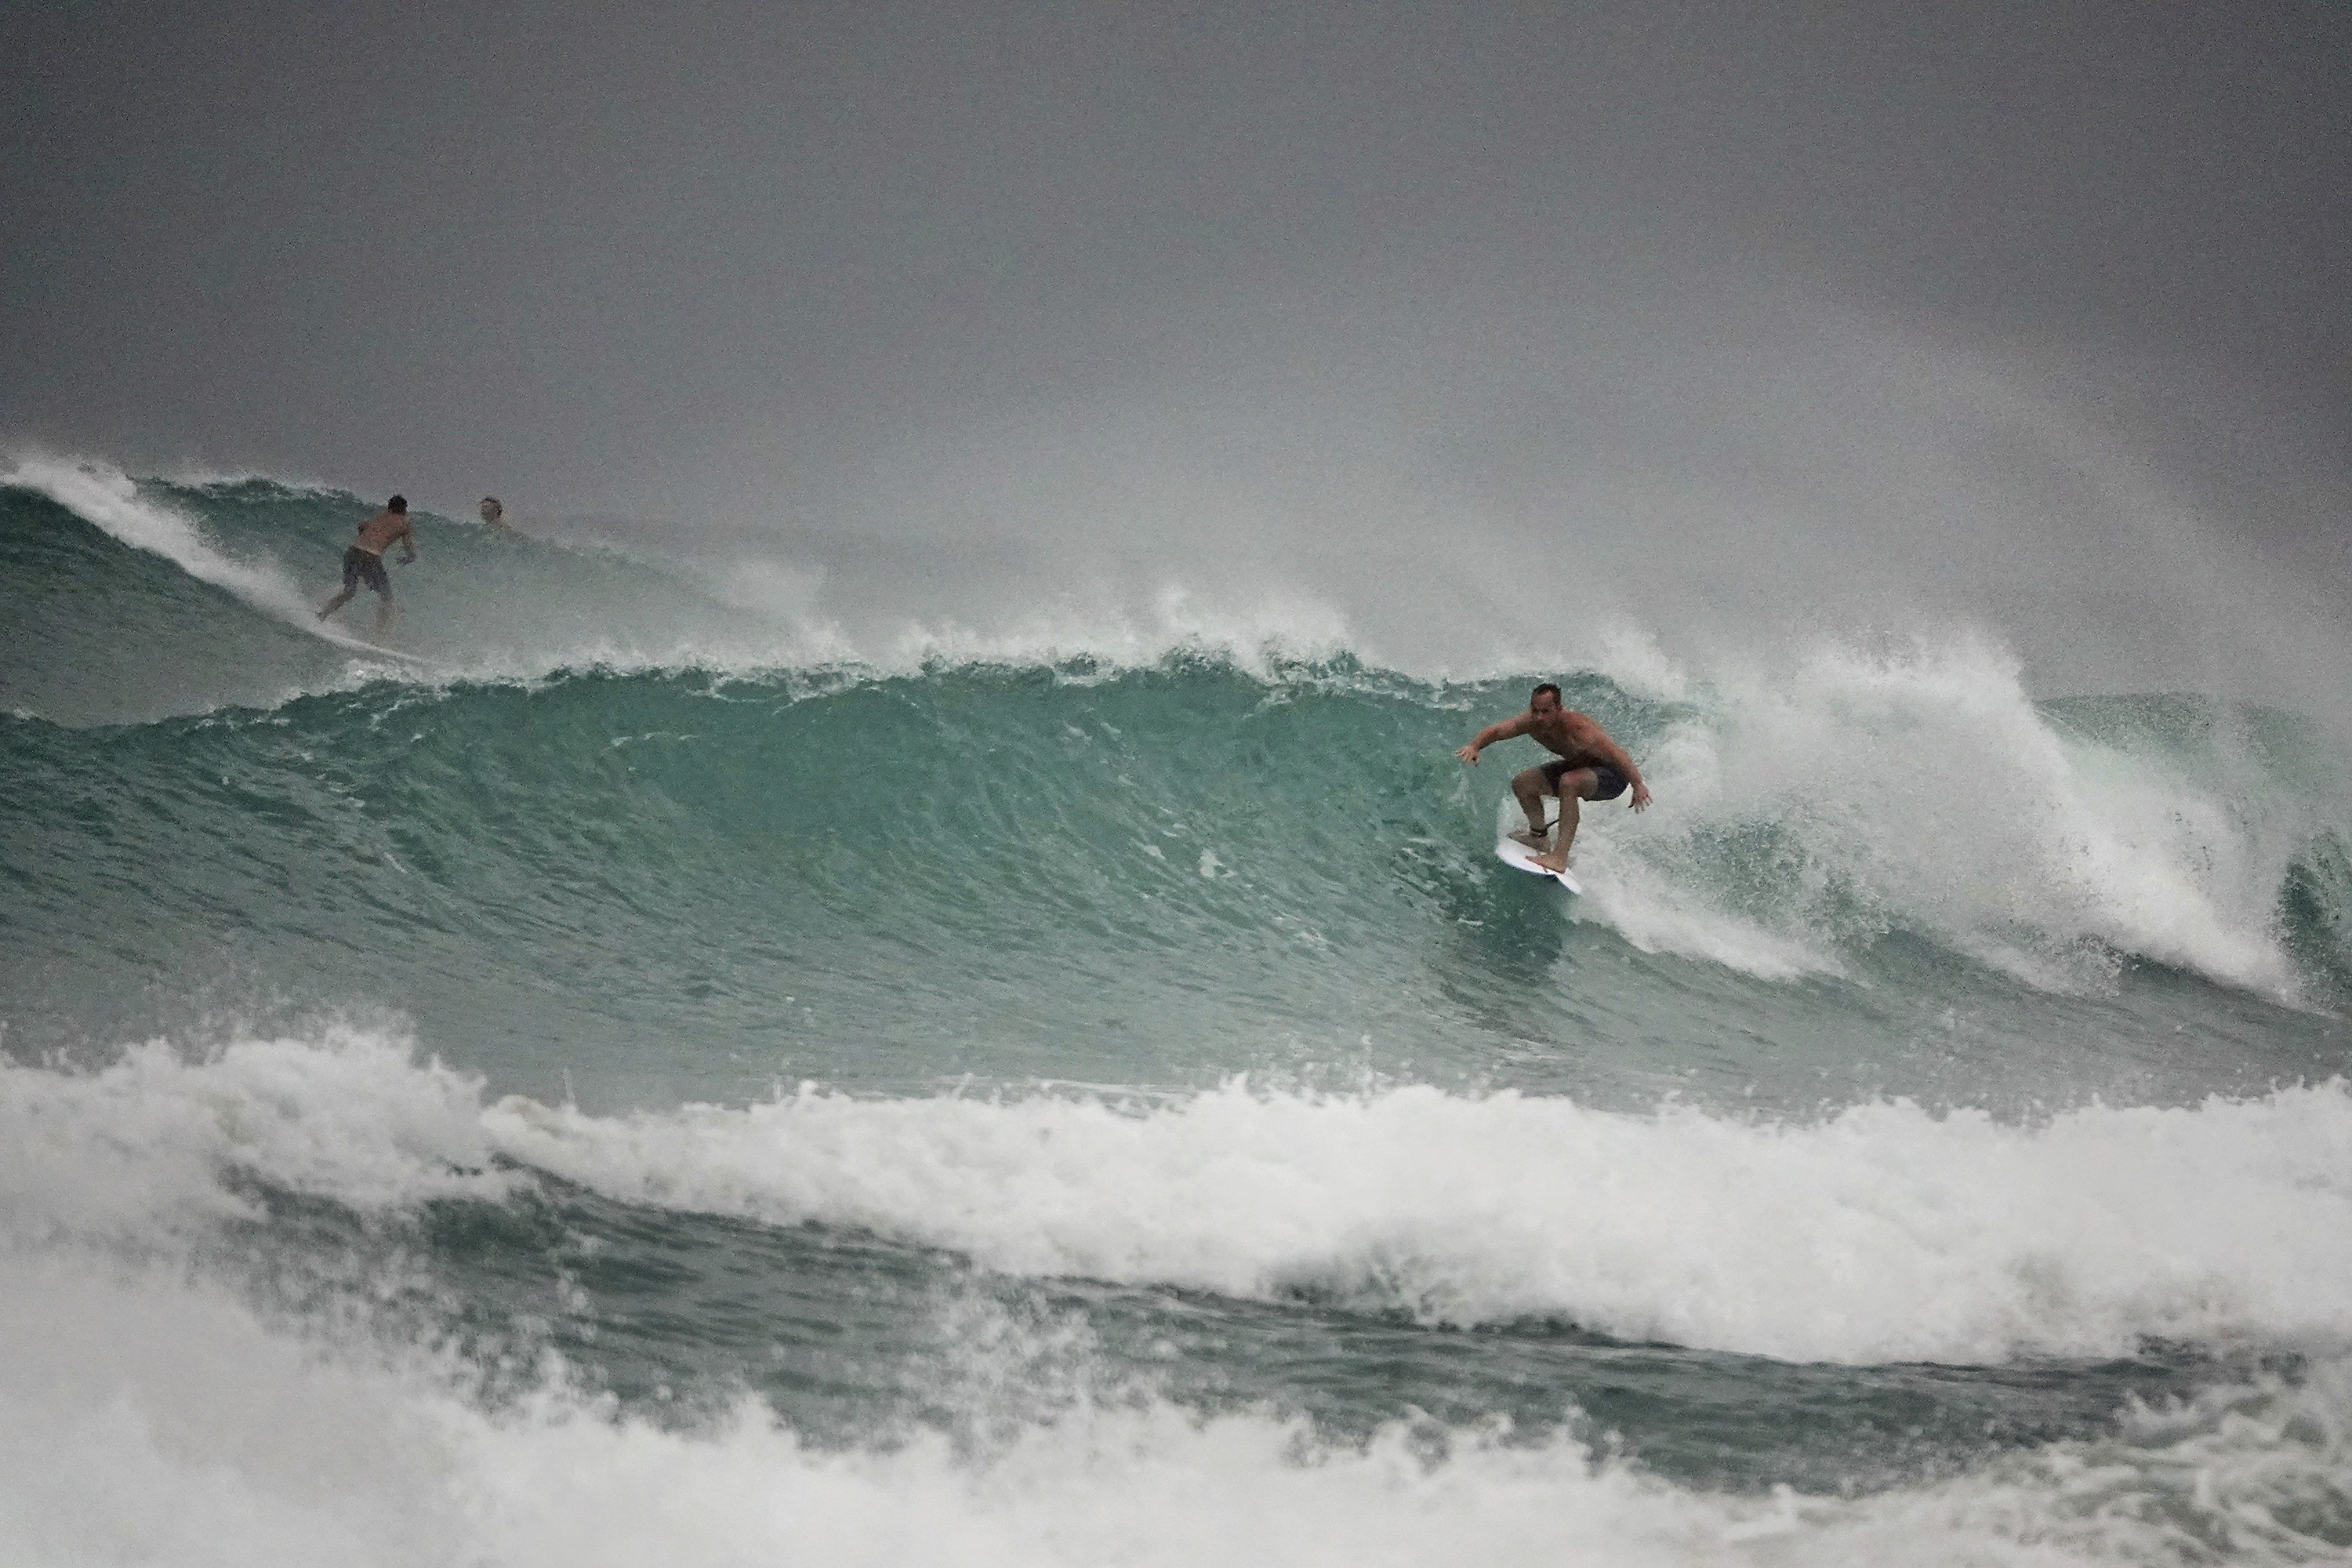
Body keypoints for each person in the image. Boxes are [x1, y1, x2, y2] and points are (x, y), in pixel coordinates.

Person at [1456, 682, 1652, 872]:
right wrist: (1474, 746)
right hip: (1579, 768)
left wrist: (1638, 785)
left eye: (1546, 711)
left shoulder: (1577, 729)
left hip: (1612, 776)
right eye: (1535, 710)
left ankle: (1559, 858)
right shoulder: (1530, 722)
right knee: (1523, 783)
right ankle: (1538, 836)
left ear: (1559, 708)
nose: (1539, 717)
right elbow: (1497, 731)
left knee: (1568, 782)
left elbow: (1617, 754)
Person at [317, 495, 417, 639]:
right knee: (387, 598)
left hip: (353, 552)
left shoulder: (379, 516)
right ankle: (377, 638)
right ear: (403, 510)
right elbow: (408, 545)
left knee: (349, 591)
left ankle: (322, 615)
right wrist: (410, 556)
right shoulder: (404, 523)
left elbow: (362, 526)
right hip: (371, 558)